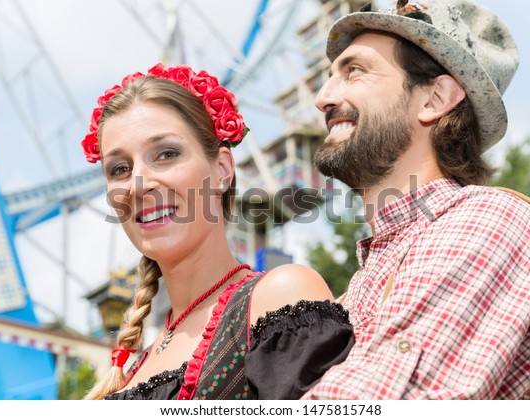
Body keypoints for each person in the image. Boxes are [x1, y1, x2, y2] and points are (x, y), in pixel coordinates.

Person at [301, 0, 530, 399]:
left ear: (435, 99)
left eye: (353, 71)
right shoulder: (359, 285)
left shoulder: (488, 220)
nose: (323, 98)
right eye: (328, 77)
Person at [80, 63, 354, 400]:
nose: (138, 185)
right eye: (119, 169)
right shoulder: (136, 365)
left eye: (166, 154)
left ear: (222, 170)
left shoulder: (277, 299)